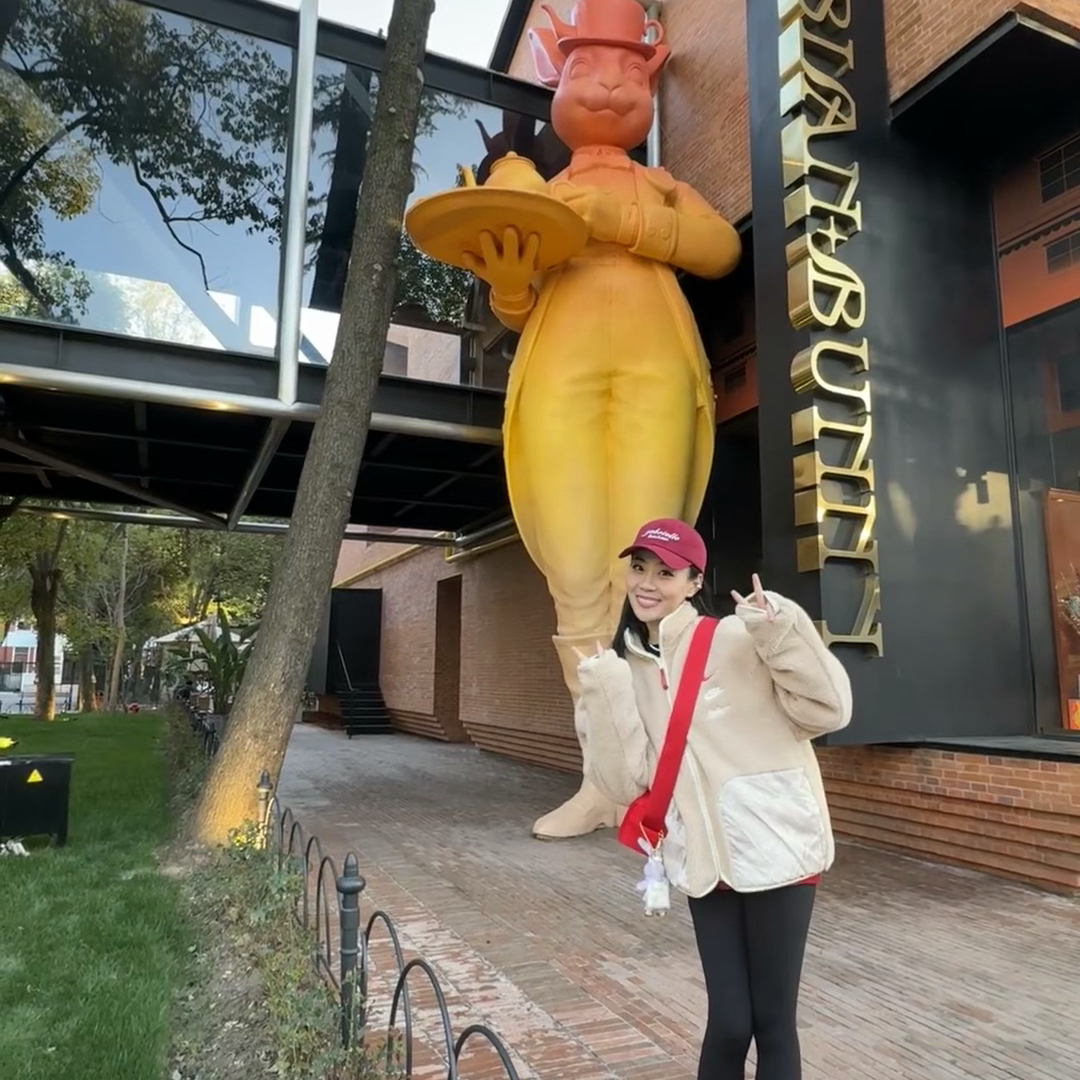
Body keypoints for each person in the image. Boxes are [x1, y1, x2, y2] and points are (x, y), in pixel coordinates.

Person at [574, 518, 853, 1080]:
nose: (648, 583)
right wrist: (603, 689)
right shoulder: (628, 664)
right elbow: (626, 781)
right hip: (704, 860)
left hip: (777, 845)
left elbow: (829, 710)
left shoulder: (735, 637)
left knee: (773, 1023)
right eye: (639, 568)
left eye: (666, 573)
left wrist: (780, 631)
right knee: (728, 1022)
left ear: (694, 582)